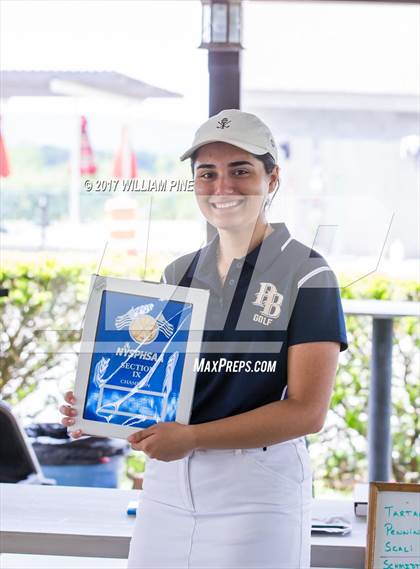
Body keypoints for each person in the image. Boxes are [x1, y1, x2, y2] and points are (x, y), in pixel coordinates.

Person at [60, 109, 348, 568]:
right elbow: (163, 382)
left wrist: (192, 437)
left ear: (272, 180)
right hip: (168, 487)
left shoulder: (308, 273)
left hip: (256, 488)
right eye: (207, 173)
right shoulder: (180, 272)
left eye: (241, 171)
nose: (223, 187)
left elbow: (306, 411)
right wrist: (103, 406)